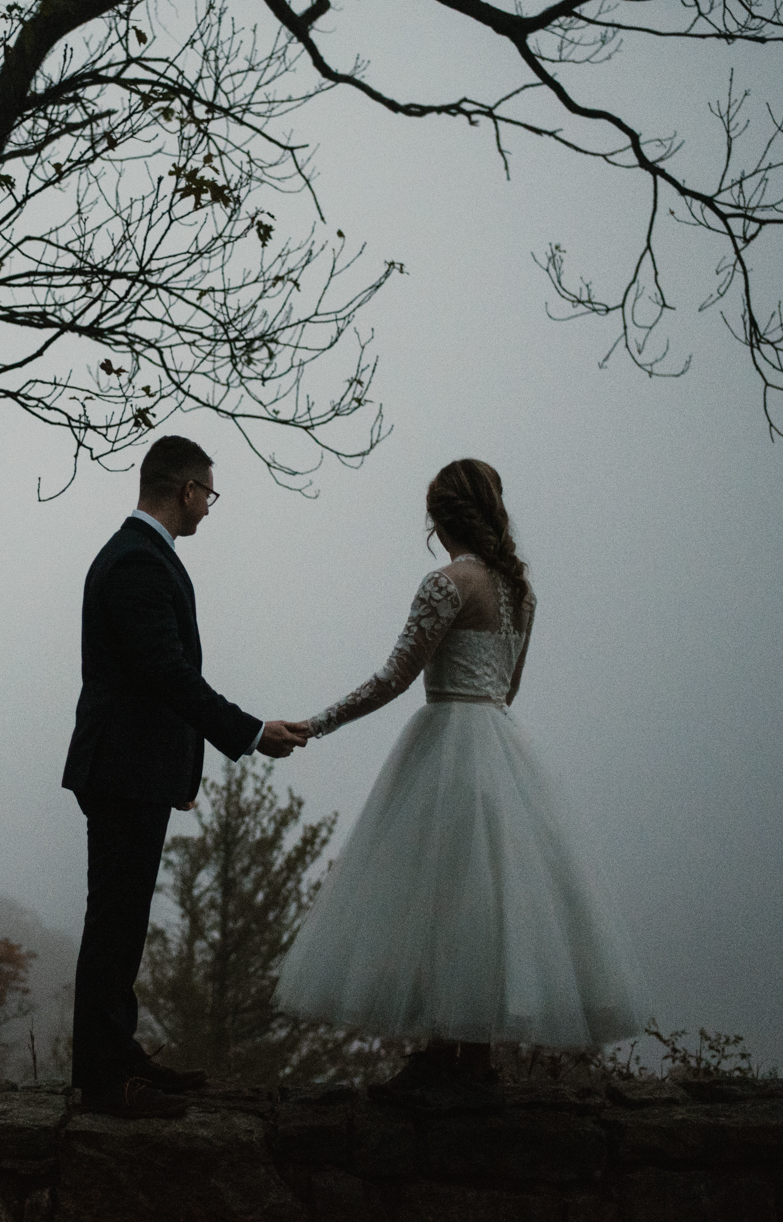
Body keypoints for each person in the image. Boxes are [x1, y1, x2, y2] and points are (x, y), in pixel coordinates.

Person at [275, 458, 646, 1085]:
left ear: (440, 518)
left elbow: (394, 677)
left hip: (446, 740)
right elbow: (511, 687)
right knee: (486, 897)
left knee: (442, 893)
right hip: (499, 745)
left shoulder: (446, 584)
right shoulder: (521, 593)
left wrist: (317, 723)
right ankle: (470, 1053)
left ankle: (450, 1051)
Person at [63, 435, 311, 1117]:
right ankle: (105, 1081)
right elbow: (166, 673)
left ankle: (115, 1054)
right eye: (209, 492)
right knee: (115, 917)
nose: (210, 506)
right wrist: (251, 732)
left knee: (123, 915)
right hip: (122, 767)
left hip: (128, 766)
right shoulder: (139, 562)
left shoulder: (140, 556)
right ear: (186, 489)